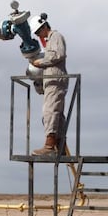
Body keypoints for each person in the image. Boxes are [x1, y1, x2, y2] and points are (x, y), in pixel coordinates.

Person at [28, 13, 68, 155]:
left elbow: (58, 55)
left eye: (39, 31)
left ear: (44, 26)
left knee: (49, 111)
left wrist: (40, 63)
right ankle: (60, 145)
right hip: (52, 80)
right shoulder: (49, 40)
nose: (39, 35)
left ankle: (50, 146)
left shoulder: (55, 36)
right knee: (56, 113)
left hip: (55, 80)